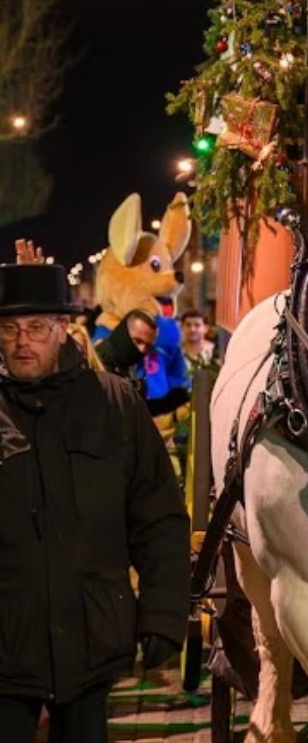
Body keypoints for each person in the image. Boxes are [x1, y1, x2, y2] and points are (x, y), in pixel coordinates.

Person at [0, 264, 189, 743]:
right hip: (6, 644)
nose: (23, 341)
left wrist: (164, 615)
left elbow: (159, 517)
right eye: (9, 329)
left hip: (91, 638)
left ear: (63, 329)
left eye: (37, 328)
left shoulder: (114, 404)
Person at [94, 309, 158, 393]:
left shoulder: (128, 365)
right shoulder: (98, 362)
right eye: (138, 341)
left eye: (148, 346)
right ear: (124, 333)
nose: (142, 349)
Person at [179, 308, 217, 372]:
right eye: (188, 325)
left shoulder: (215, 352)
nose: (192, 329)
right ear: (182, 327)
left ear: (206, 328)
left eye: (197, 325)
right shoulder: (175, 352)